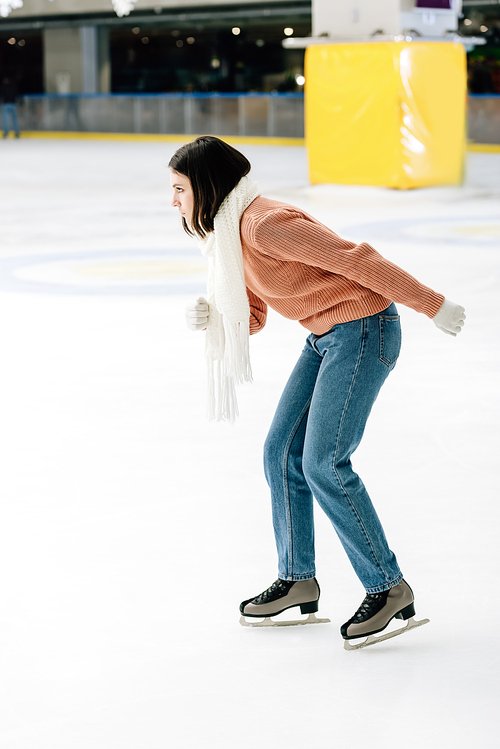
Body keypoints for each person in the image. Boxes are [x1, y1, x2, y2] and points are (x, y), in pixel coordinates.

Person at [169, 135, 465, 647]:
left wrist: (431, 304)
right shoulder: (229, 234)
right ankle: (297, 578)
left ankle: (388, 587)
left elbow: (358, 261)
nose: (172, 201)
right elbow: (256, 315)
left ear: (207, 184)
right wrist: (214, 317)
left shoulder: (267, 224)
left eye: (179, 188)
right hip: (328, 336)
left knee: (324, 462)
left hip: (364, 329)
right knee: (281, 452)